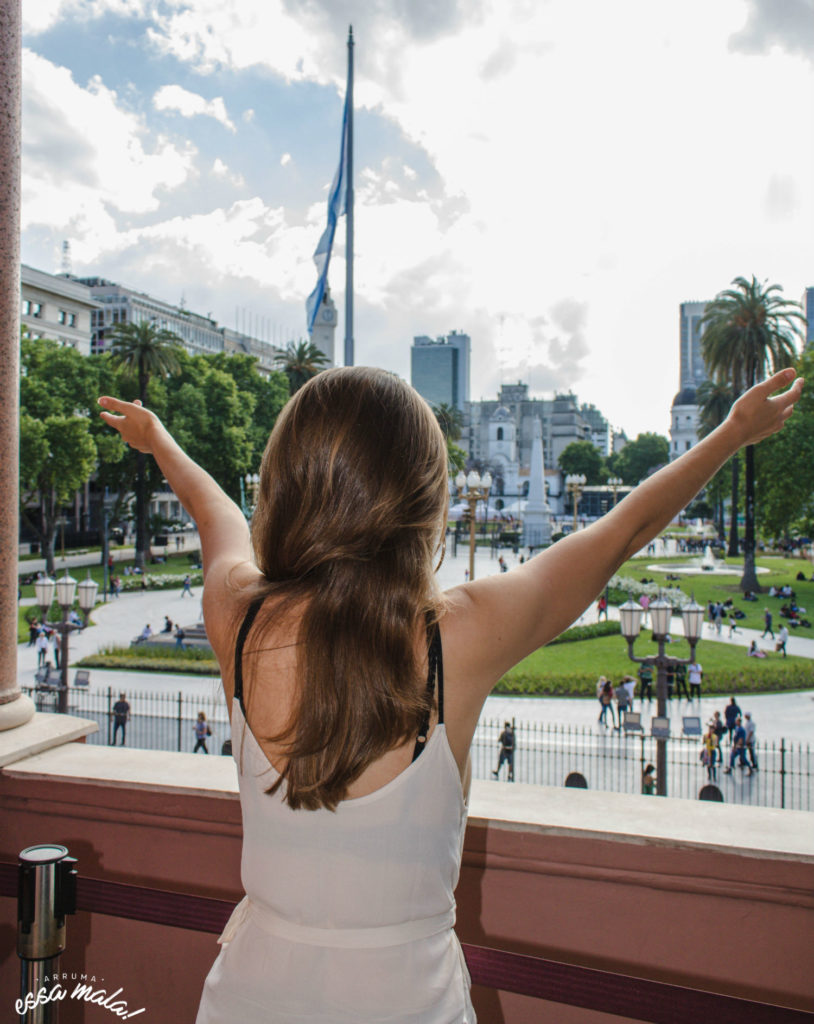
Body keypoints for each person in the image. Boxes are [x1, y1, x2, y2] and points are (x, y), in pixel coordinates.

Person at [97, 363, 801, 1023]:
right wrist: (731, 434)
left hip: (247, 996)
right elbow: (623, 531)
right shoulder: (457, 638)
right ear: (426, 499)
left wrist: (160, 441)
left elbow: (210, 508)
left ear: (280, 485)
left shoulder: (237, 615)